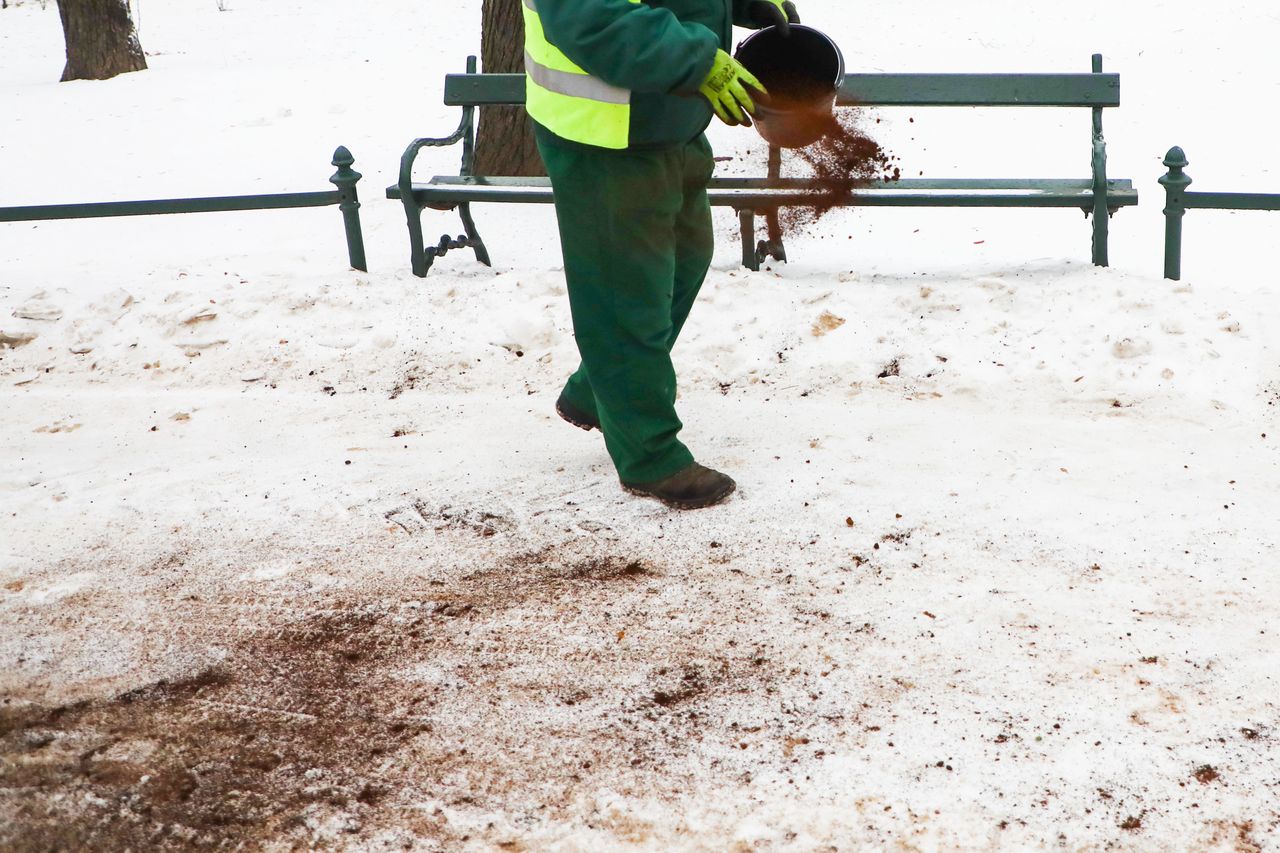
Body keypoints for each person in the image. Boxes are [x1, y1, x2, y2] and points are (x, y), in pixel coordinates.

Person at [525, 0, 801, 510]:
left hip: (669, 121)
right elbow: (594, 19)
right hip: (606, 136)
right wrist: (699, 59)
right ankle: (649, 457)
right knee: (626, 297)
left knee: (687, 258)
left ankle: (599, 388)